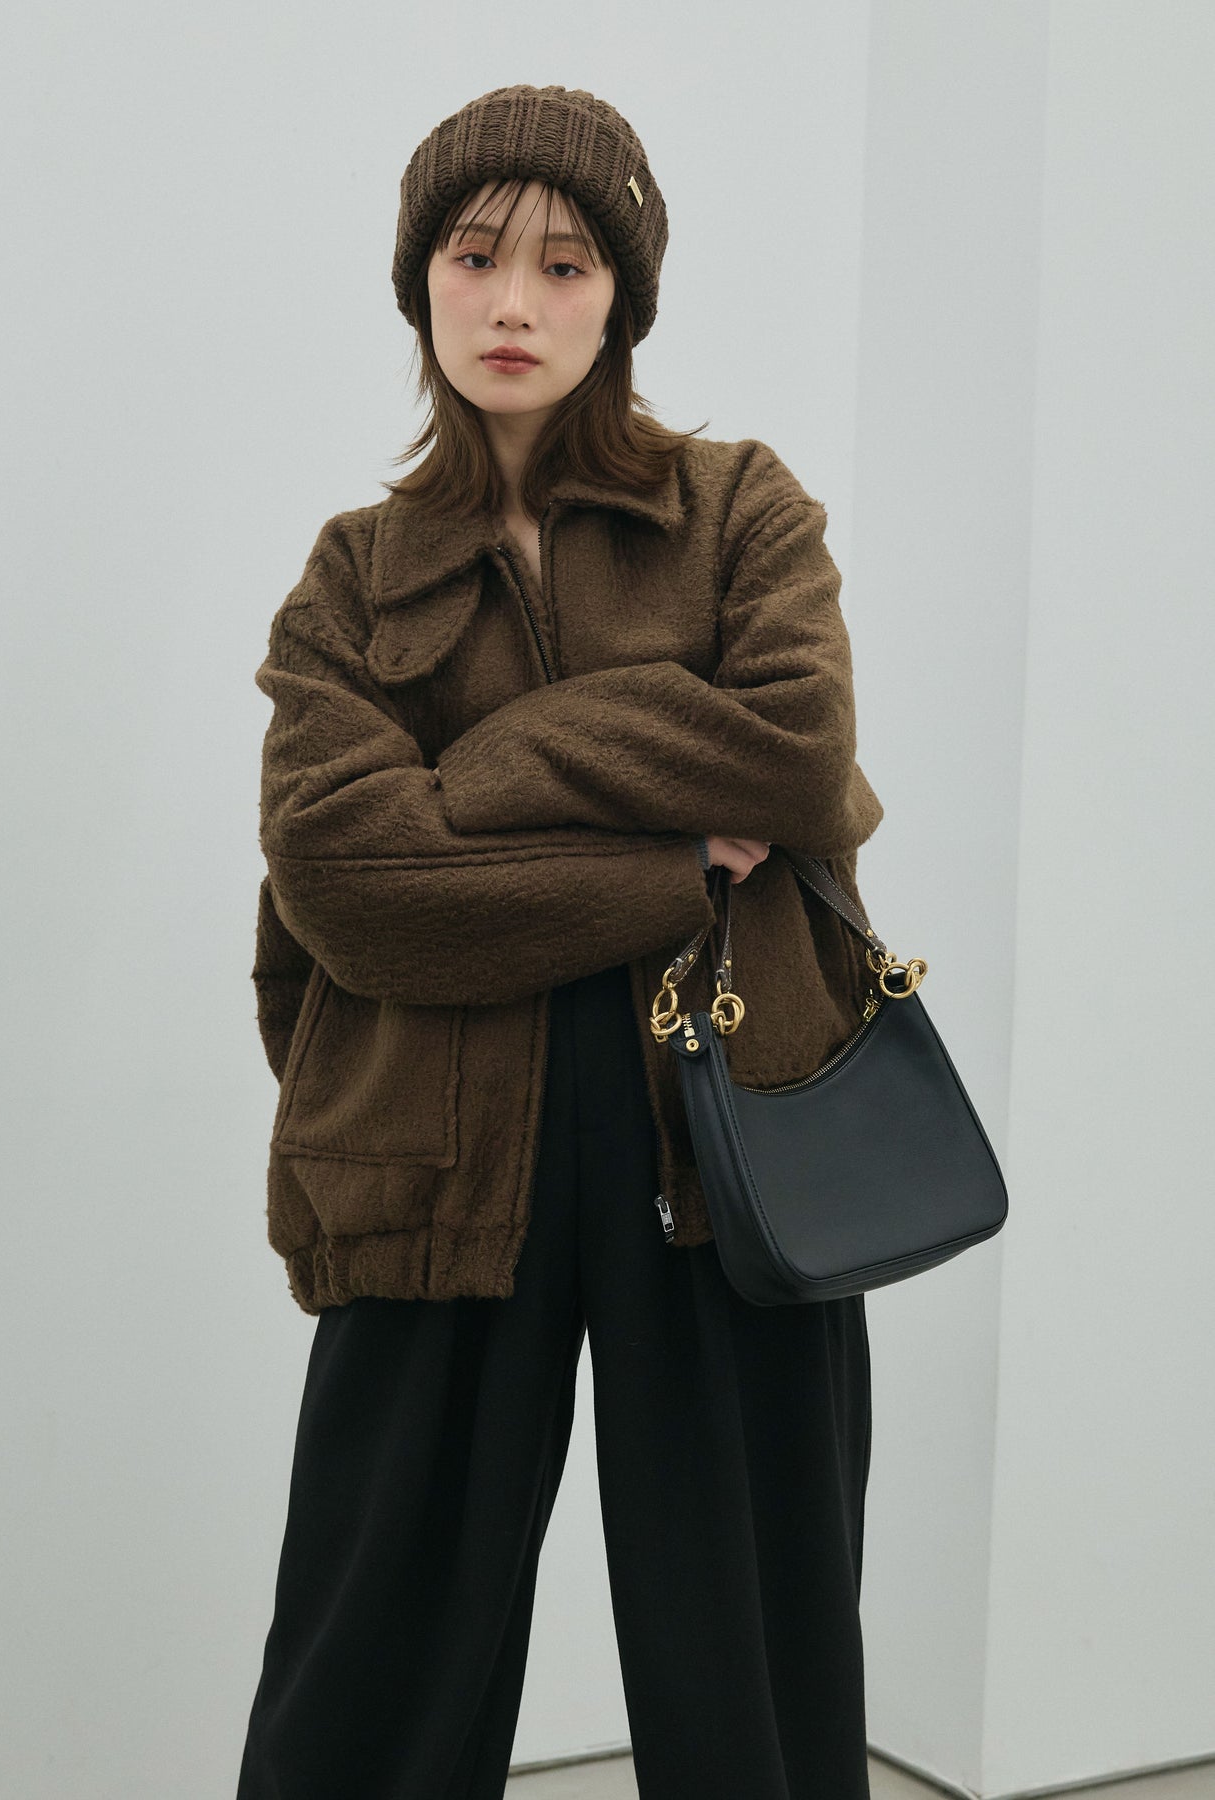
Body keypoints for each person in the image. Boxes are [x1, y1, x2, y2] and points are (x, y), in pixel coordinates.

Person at [237, 83, 884, 1800]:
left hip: (731, 1145)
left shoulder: (739, 510)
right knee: (366, 1675)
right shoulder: (353, 577)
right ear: (419, 284)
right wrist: (668, 866)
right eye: (472, 257)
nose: (511, 302)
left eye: (563, 264)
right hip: (429, 1157)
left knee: (756, 1676)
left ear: (620, 300)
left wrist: (474, 775)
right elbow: (344, 879)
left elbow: (796, 759)